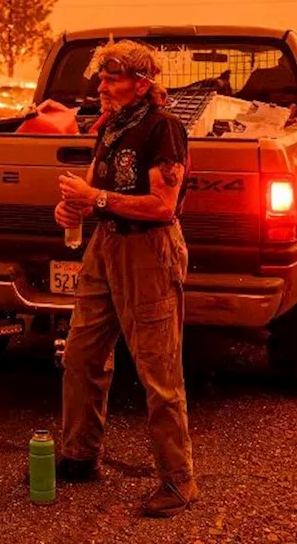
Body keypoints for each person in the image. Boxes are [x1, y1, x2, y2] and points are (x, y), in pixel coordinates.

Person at [54, 39, 197, 518]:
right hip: (106, 245)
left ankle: (178, 482)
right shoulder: (112, 125)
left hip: (149, 251)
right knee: (81, 352)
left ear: (141, 84)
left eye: (112, 78)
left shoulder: (164, 129)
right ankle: (79, 454)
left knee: (158, 369)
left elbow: (162, 206)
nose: (102, 86)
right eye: (102, 77)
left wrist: (92, 198)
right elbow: (98, 187)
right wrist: (70, 205)